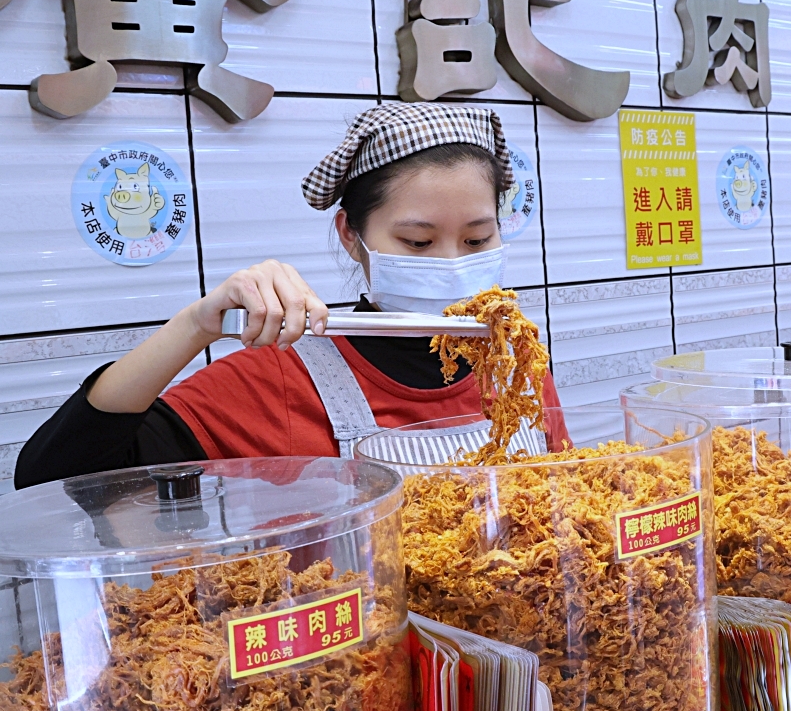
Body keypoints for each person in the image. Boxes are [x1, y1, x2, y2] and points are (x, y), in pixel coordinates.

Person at [15, 102, 568, 489]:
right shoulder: (282, 375)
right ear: (351, 235)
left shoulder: (518, 364)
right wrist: (196, 325)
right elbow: (52, 475)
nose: (452, 264)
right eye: (417, 241)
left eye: (478, 238)